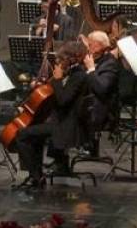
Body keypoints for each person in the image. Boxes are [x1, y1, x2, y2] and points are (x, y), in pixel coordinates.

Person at [13, 41, 89, 189]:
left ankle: (36, 177)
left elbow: (63, 100)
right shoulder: (73, 73)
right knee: (33, 130)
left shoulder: (79, 76)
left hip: (67, 126)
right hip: (61, 120)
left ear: (71, 59)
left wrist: (58, 79)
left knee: (22, 135)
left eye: (61, 59)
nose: (58, 62)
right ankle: (37, 175)